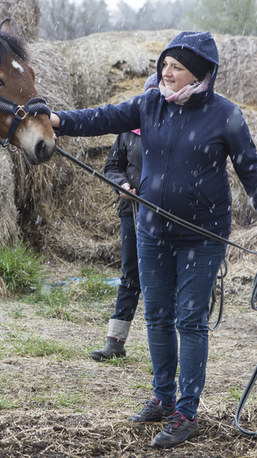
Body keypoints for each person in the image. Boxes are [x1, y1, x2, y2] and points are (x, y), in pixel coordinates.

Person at [50, 31, 257, 448]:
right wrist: (59, 121)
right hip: (152, 231)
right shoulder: (149, 104)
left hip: (202, 236)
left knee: (190, 320)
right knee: (157, 316)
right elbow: (103, 117)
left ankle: (185, 411)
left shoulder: (224, 115)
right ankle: (163, 397)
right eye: (165, 64)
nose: (167, 71)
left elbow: (253, 171)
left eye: (177, 67)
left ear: (199, 74)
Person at [90, 74, 158, 362]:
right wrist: (122, 184)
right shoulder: (128, 131)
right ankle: (115, 341)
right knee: (131, 274)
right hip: (132, 214)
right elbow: (112, 165)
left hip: (166, 215)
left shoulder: (177, 131)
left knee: (163, 278)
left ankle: (172, 344)